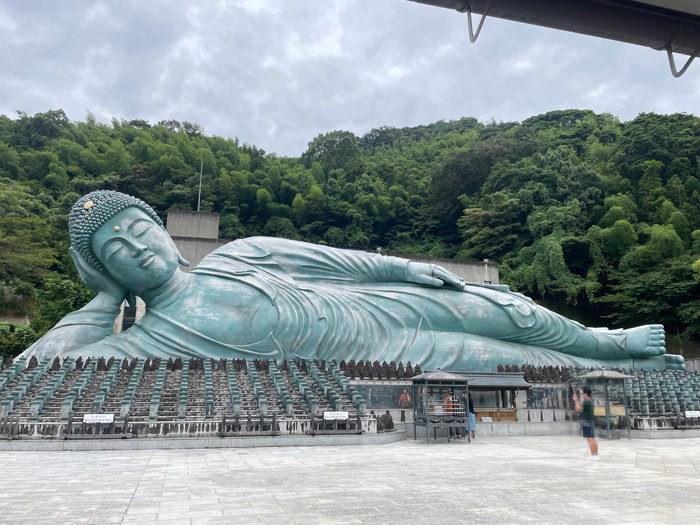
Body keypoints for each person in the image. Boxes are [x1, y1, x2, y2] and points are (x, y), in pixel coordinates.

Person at [18, 191, 684, 373]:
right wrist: (104, 299)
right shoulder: (151, 339)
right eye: (116, 251)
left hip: (371, 301)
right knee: (512, 360)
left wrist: (405, 268)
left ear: (164, 230)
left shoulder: (239, 254)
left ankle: (607, 340)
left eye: (139, 229)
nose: (138, 249)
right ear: (106, 268)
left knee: (504, 310)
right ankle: (622, 368)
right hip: (386, 354)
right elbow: (37, 370)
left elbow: (336, 261)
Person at [574, 386, 599, 461]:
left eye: (583, 393)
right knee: (591, 438)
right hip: (589, 421)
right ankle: (595, 454)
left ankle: (594, 455)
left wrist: (576, 400)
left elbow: (578, 409)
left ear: (585, 394)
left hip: (587, 421)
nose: (582, 395)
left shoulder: (587, 402)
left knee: (590, 438)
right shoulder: (590, 401)